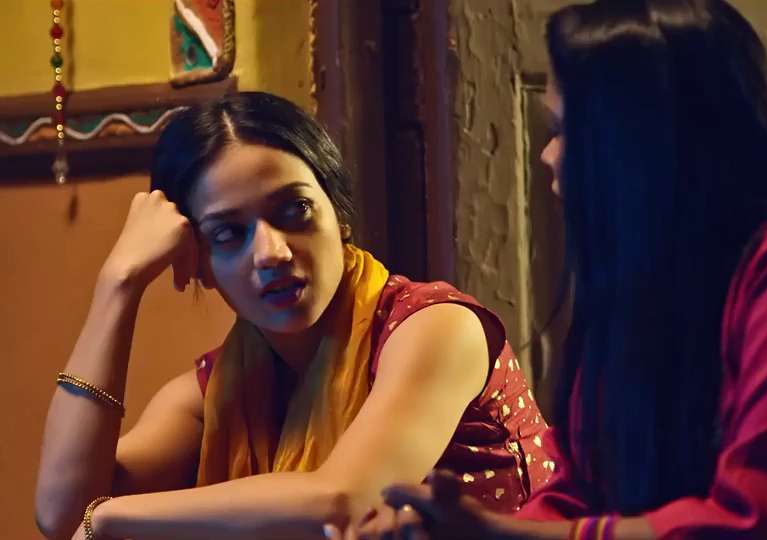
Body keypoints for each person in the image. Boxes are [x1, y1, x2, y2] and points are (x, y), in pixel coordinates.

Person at [361, 0, 767, 538]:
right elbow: (580, 487)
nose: (548, 155)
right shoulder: (641, 289)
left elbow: (760, 523)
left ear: (639, 144)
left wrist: (508, 535)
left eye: (568, 129)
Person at [34, 92, 551, 540]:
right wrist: (118, 284)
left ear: (339, 213)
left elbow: (346, 502)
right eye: (228, 234)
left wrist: (112, 516)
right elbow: (62, 512)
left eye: (294, 210)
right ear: (197, 264)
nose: (272, 253)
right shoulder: (219, 393)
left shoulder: (435, 327)